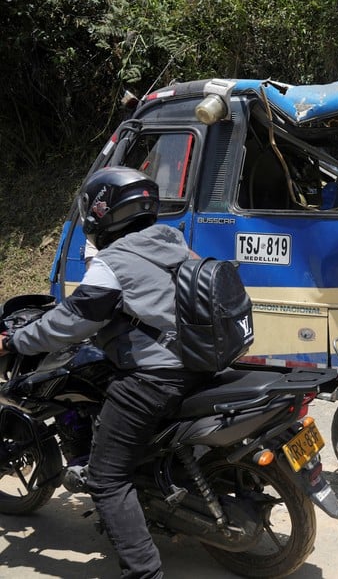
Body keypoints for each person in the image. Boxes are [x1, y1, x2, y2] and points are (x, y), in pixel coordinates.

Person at [0, 166, 208, 578]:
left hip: (153, 376)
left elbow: (73, 320)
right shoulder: (175, 244)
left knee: (107, 477)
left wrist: (15, 341)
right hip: (198, 364)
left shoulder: (113, 262)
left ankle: (143, 572)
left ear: (100, 213)